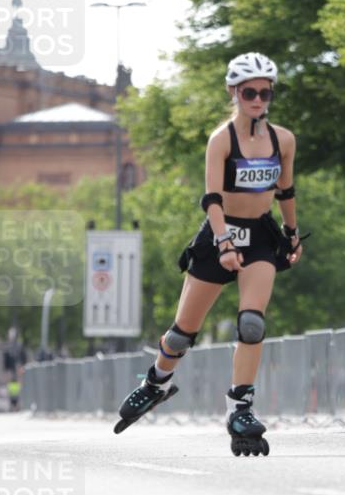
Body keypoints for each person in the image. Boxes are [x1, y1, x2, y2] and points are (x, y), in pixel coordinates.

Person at [114, 53, 307, 455]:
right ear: (234, 92)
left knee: (251, 324)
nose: (258, 100)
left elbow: (286, 192)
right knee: (182, 333)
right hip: (220, 234)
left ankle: (240, 407)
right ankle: (156, 382)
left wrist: (291, 234)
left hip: (259, 237)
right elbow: (212, 199)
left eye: (265, 92)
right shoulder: (222, 140)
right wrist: (223, 242)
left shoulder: (283, 140)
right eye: (250, 93)